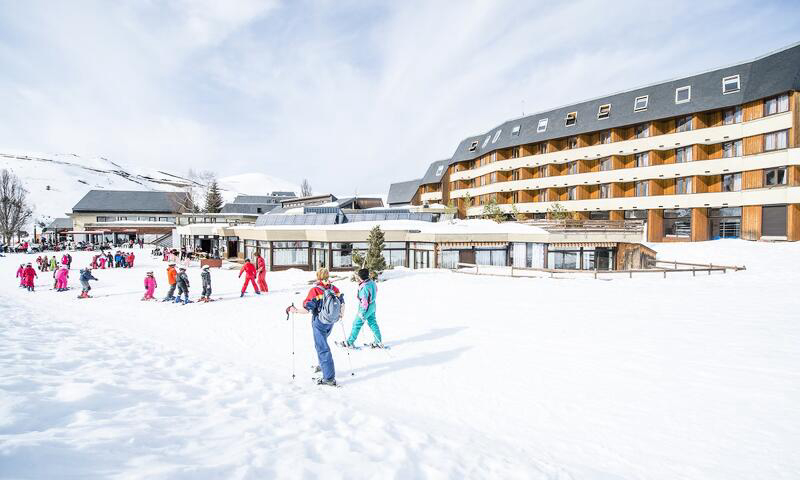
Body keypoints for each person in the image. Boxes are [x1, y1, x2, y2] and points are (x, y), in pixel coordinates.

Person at [287, 267, 345, 386]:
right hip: (331, 321)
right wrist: (340, 316)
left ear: (318, 276)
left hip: (319, 322)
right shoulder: (335, 288)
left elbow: (307, 309)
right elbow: (342, 303)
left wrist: (295, 310)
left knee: (322, 347)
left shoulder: (315, 290)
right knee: (321, 343)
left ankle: (329, 378)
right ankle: (323, 365)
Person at [344, 268, 383, 348]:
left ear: (360, 277)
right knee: (372, 322)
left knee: (357, 323)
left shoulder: (364, 287)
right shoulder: (372, 282)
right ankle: (378, 341)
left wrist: (362, 313)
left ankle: (349, 342)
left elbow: (364, 302)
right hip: (372, 305)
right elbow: (376, 290)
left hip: (366, 307)